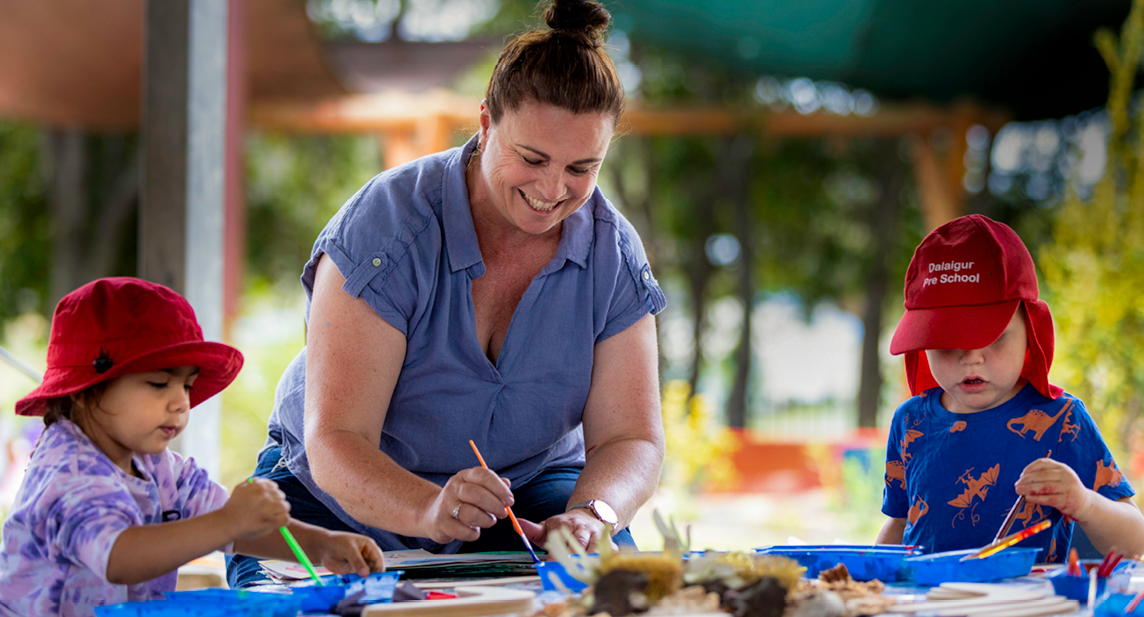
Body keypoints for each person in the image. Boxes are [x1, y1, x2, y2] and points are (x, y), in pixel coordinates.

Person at [226, 0, 666, 589]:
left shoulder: (613, 251)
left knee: (606, 594)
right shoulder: (387, 226)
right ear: (485, 123)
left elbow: (630, 438)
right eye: (532, 158)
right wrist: (430, 510)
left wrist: (594, 515)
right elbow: (336, 441)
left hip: (525, 493)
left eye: (582, 168)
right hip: (328, 499)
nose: (553, 189)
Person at [0, 278, 384, 617]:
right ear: (86, 393)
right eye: (158, 383)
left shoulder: (159, 466)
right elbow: (119, 558)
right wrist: (227, 522)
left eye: (186, 385)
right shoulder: (67, 471)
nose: (181, 402)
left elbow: (235, 529)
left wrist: (323, 545)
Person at [876, 214, 1144, 560]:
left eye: (994, 337)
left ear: (1031, 330)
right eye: (947, 341)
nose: (971, 359)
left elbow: (1136, 540)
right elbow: (899, 525)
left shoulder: (1062, 419)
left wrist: (1084, 502)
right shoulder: (909, 422)